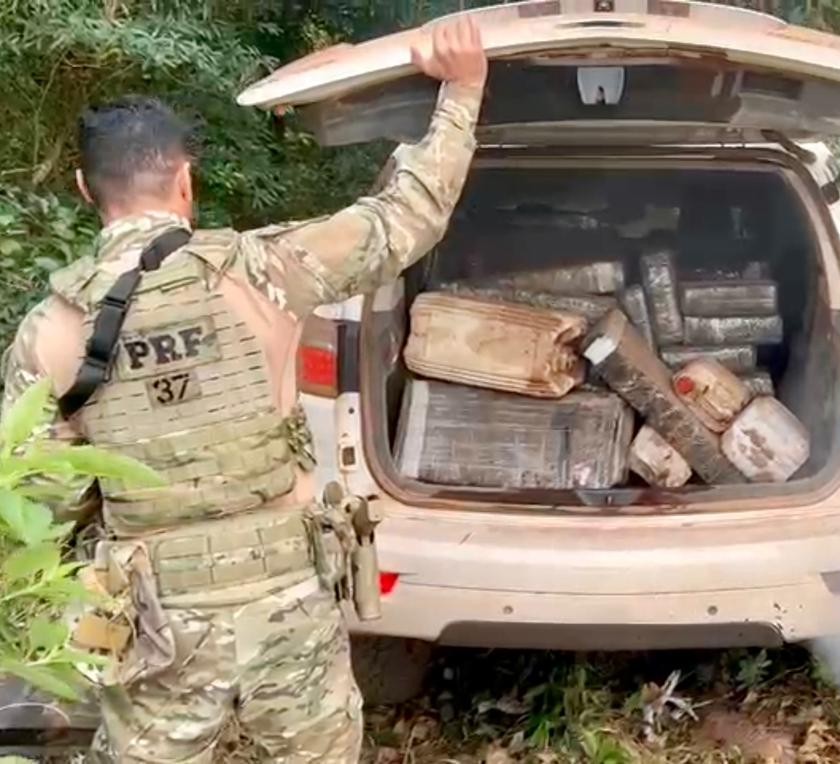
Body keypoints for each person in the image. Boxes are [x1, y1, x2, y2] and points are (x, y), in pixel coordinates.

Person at [0, 16, 487, 763]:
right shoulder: (261, 269)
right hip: (285, 597)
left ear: (82, 189)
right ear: (185, 180)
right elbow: (403, 219)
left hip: (153, 615)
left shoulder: (54, 327)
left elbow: (37, 498)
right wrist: (462, 90)